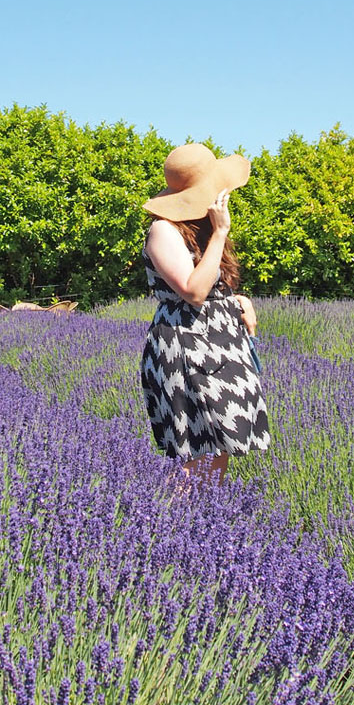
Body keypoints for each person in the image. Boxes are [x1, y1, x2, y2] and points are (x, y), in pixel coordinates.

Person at [139, 143, 271, 485]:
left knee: (221, 444)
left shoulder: (201, 228)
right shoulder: (162, 231)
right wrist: (221, 232)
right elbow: (193, 290)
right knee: (192, 452)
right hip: (185, 347)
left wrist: (237, 299)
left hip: (220, 344)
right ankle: (171, 530)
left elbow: (211, 287)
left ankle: (203, 524)